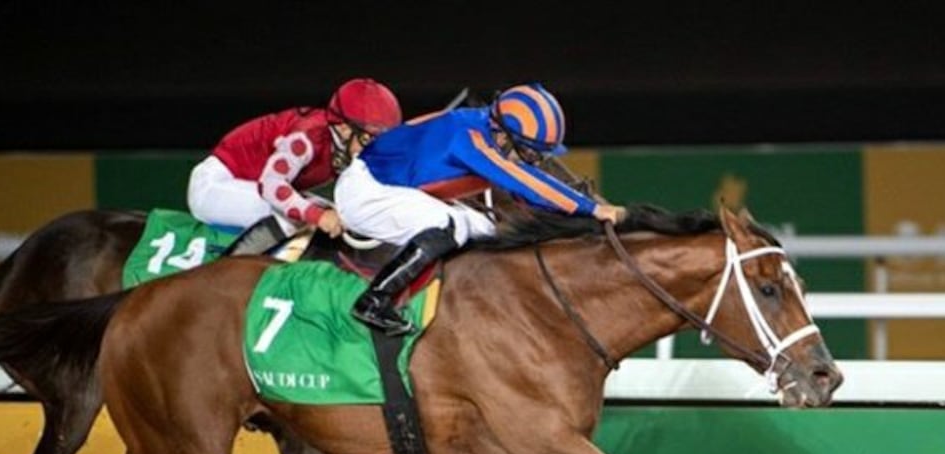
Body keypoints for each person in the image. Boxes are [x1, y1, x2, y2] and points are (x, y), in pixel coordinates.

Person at [335, 82, 627, 336]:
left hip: (394, 186)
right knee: (446, 224)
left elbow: (523, 191)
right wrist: (591, 210)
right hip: (366, 192)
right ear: (501, 135)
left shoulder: (485, 127)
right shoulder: (470, 139)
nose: (532, 160)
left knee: (487, 231)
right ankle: (375, 300)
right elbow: (525, 182)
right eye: (528, 152)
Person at [186, 77, 402, 250]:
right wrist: (318, 216)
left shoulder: (343, 142)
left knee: (327, 210)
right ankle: (229, 277)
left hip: (244, 187)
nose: (374, 149)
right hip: (213, 187)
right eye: (369, 139)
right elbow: (271, 186)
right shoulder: (306, 137)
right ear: (345, 129)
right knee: (297, 216)